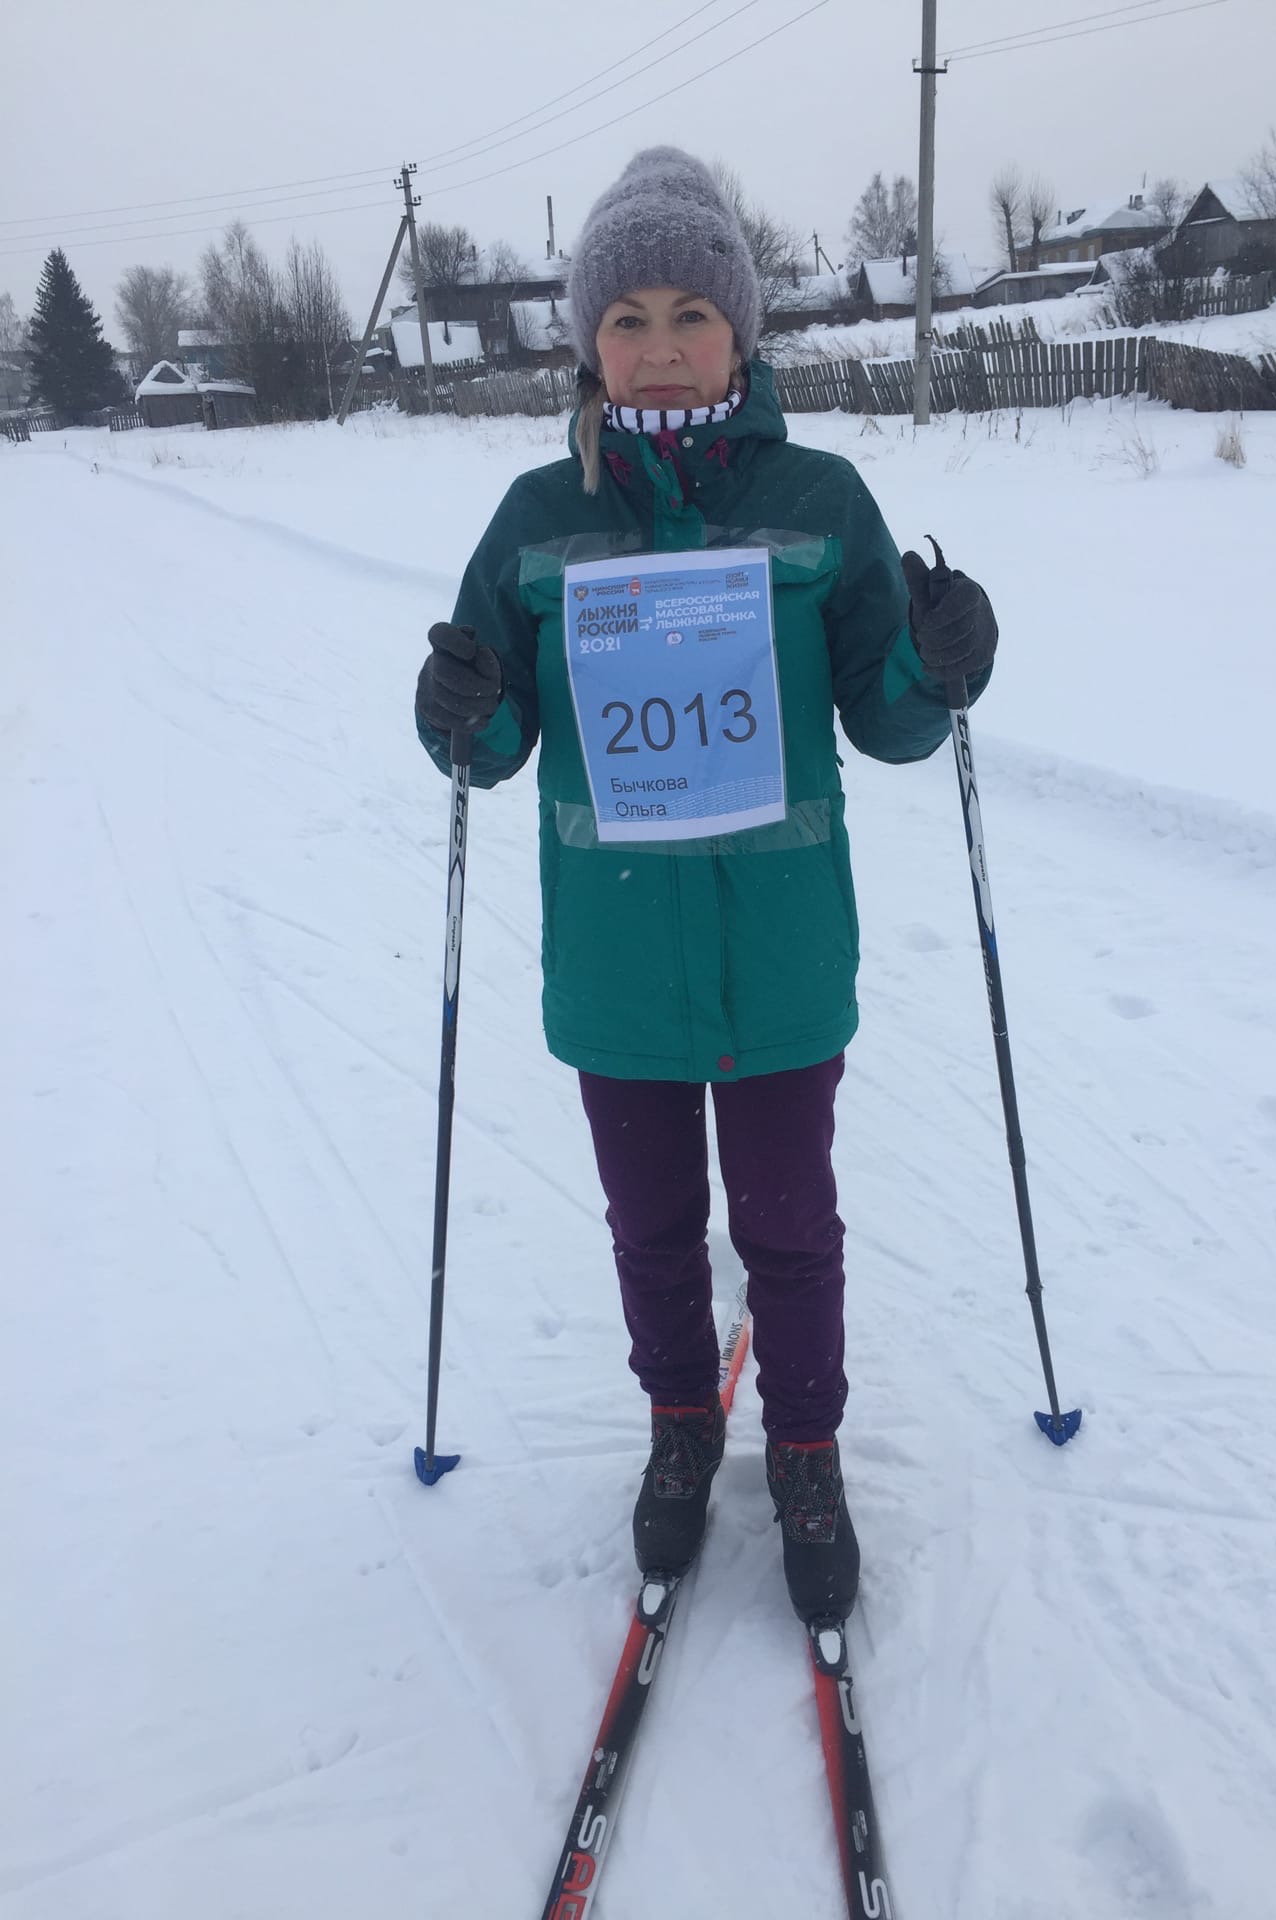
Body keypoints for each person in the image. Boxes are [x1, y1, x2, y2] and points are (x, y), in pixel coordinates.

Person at [414, 148, 997, 1623]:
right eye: (628, 318)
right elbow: (492, 740)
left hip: (782, 954)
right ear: (589, 343)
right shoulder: (536, 518)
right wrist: (460, 708)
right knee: (654, 1227)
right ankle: (682, 1424)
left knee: (791, 1227)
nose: (661, 344)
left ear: (741, 331)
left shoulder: (820, 497)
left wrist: (935, 662)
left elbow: (886, 717)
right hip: (617, 960)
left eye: (692, 312)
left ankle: (805, 1449)